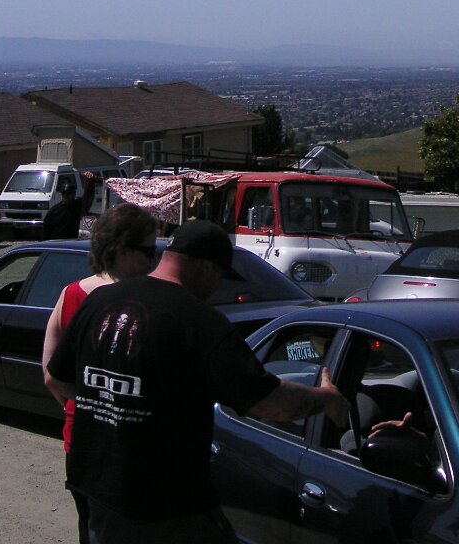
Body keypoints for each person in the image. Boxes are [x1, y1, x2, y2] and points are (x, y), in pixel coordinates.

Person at [46, 220, 350, 544]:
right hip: (164, 509)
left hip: (94, 492)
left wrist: (110, 409)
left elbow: (57, 378)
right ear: (205, 267)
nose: (217, 287)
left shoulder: (100, 302)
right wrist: (325, 398)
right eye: (220, 277)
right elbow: (271, 404)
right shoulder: (199, 322)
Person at [42, 203, 159, 544]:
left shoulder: (71, 295)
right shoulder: (146, 302)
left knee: (90, 527)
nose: (154, 261)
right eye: (149, 252)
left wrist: (85, 402)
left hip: (80, 438)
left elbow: (51, 375)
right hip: (131, 443)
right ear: (122, 251)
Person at [42, 172, 96, 240]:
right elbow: (46, 232)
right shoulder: (53, 211)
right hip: (56, 243)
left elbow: (89, 197)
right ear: (61, 194)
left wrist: (91, 181)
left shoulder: (78, 206)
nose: (66, 196)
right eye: (64, 194)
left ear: (74, 194)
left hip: (73, 243)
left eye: (68, 194)